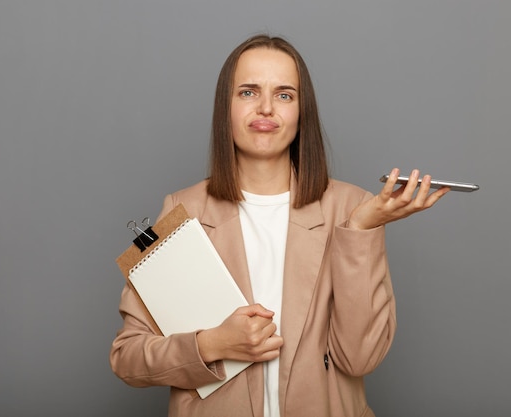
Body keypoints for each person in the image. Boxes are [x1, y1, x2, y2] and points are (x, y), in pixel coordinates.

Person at [110, 34, 450, 417]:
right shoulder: (179, 210)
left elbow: (360, 359)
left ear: (303, 112)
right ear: (226, 107)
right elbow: (127, 358)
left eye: (285, 95)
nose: (267, 108)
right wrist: (212, 345)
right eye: (249, 92)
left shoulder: (354, 207)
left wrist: (360, 231)